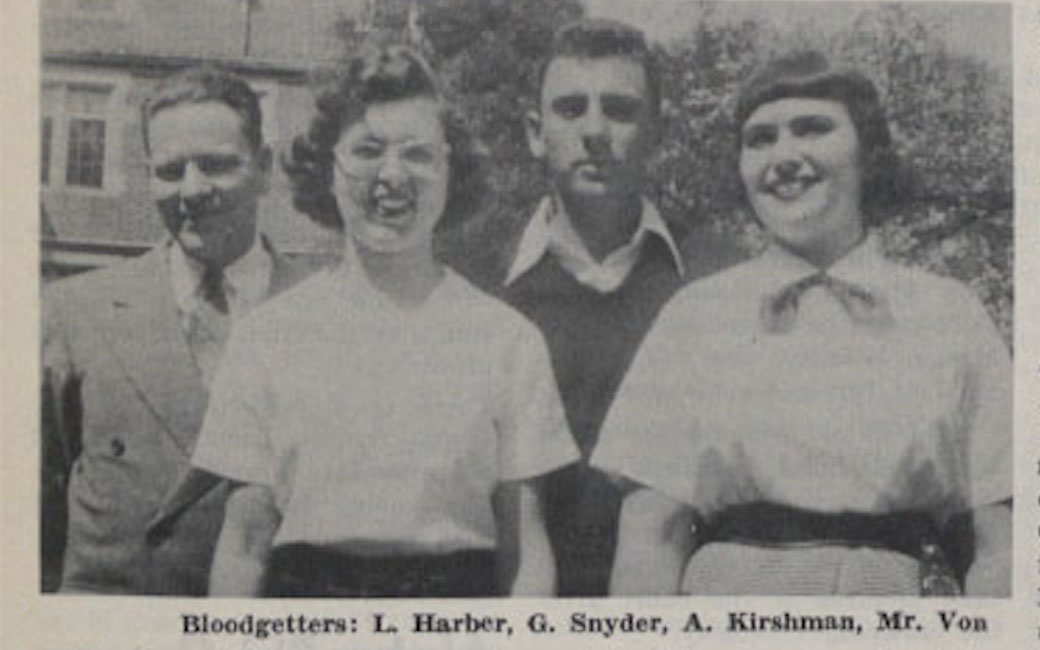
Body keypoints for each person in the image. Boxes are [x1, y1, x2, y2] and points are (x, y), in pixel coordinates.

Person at [593, 51, 1012, 596]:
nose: (784, 156)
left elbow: (1002, 547)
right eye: (760, 139)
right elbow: (650, 539)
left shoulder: (949, 313)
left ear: (869, 150)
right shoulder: (695, 316)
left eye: (812, 129)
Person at [189, 44, 579, 597]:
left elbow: (525, 553)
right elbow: (245, 544)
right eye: (367, 150)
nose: (392, 176)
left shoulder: (507, 341)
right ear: (328, 169)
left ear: (451, 171)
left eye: (418, 155)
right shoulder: (268, 336)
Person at [495, 19, 743, 596]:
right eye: (570, 108)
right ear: (536, 132)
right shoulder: (477, 284)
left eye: (620, 109)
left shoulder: (715, 285)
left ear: (657, 131)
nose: (595, 131)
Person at [41, 66, 311, 594]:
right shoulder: (75, 312)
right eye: (169, 170)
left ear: (264, 168)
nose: (191, 189)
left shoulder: (323, 317)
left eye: (215, 165)